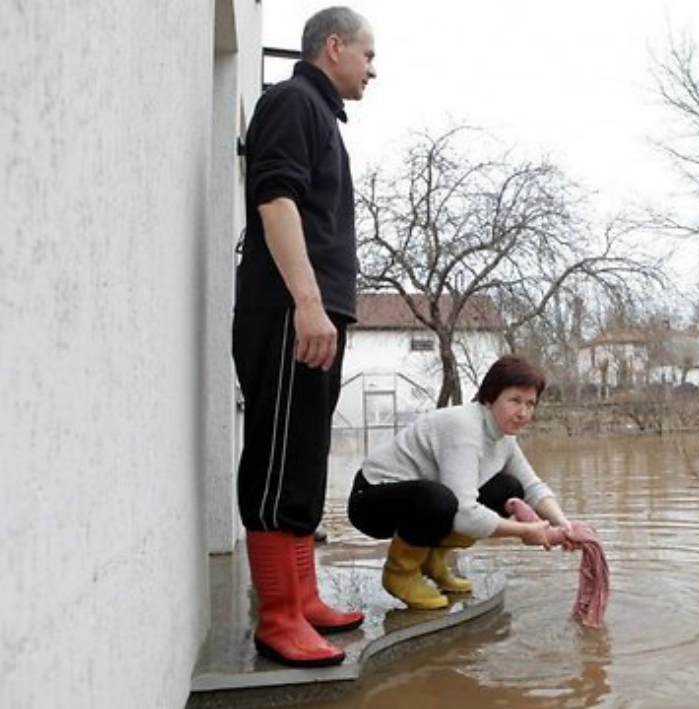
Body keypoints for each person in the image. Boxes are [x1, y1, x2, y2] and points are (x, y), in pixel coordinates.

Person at [232, 6, 376, 668]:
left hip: (314, 313)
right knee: (275, 457)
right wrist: (309, 303)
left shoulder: (320, 115)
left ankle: (304, 595)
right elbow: (275, 200)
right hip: (291, 311)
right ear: (334, 46)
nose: (374, 69)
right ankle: (277, 616)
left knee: (305, 457)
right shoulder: (292, 101)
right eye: (368, 55)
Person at [347, 355, 576, 610]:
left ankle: (433, 561)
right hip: (372, 501)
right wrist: (526, 532)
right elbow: (465, 514)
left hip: (420, 501)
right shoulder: (464, 427)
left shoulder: (503, 437)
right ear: (491, 397)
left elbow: (532, 487)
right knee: (440, 501)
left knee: (508, 489)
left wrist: (564, 525)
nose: (523, 413)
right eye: (515, 401)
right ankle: (400, 573)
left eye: (531, 404)